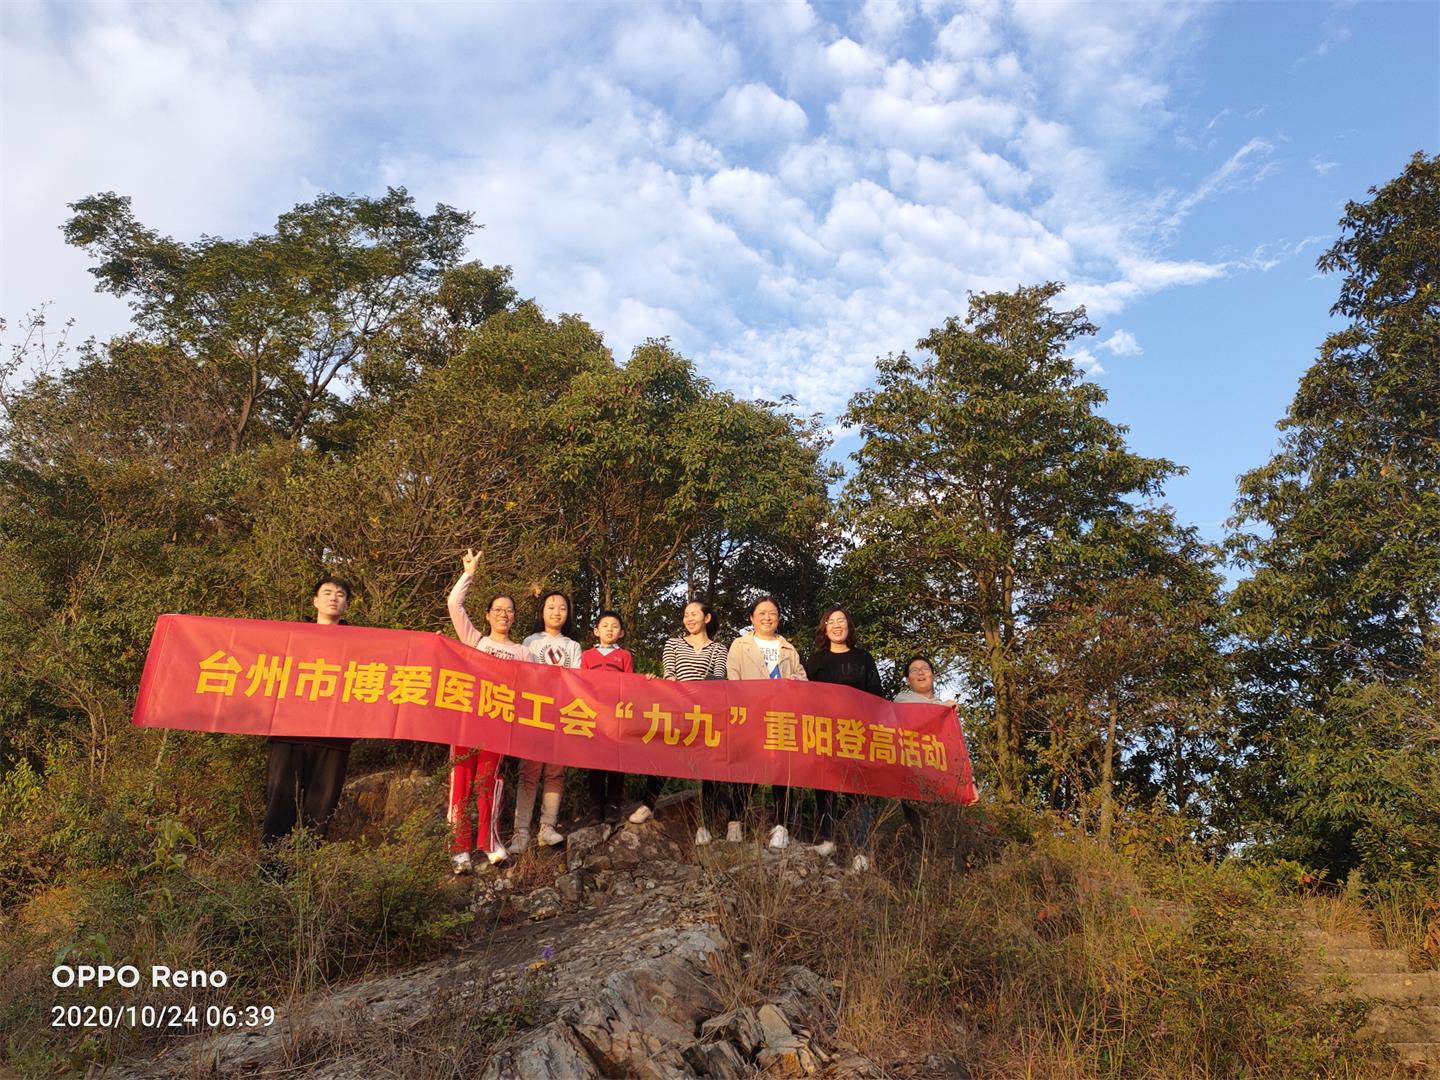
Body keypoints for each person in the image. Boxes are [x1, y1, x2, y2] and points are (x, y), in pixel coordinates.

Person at [446, 548, 533, 874]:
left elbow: (540, 690)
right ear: (487, 615)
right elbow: (454, 605)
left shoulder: (524, 653)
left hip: (499, 725)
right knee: (460, 781)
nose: (504, 614)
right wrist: (469, 574)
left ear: (514, 617)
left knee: (488, 783)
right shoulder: (475, 640)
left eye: (509, 610)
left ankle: (489, 842)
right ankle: (459, 849)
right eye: (498, 609)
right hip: (466, 722)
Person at [261, 576, 356, 848]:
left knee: (320, 814)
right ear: (315, 601)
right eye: (326, 592)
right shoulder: (290, 637)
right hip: (288, 733)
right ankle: (271, 878)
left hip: (333, 738)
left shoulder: (361, 645)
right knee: (279, 808)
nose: (333, 597)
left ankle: (310, 878)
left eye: (340, 594)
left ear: (347, 604)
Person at [803, 607, 884, 864]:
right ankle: (827, 841)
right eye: (831, 621)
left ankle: (861, 851)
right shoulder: (815, 661)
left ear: (849, 626)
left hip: (856, 734)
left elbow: (876, 694)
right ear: (824, 628)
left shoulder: (863, 658)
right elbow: (804, 698)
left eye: (841, 621)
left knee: (858, 790)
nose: (837, 625)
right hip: (824, 733)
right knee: (824, 787)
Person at [727, 596, 807, 850]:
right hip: (750, 713)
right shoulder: (740, 645)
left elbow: (802, 678)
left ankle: (781, 827)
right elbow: (733, 679)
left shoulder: (788, 648)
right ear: (751, 618)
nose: (767, 617)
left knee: (781, 770)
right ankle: (735, 822)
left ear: (778, 618)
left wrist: (796, 679)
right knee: (745, 769)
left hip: (780, 716)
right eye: (761, 613)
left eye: (772, 613)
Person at [654, 600, 730, 841]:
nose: (689, 618)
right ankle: (647, 803)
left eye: (694, 614)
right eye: (686, 614)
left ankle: (705, 825)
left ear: (706, 618)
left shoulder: (719, 649)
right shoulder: (673, 644)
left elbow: (719, 678)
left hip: (707, 712)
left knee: (710, 767)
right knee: (663, 754)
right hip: (677, 708)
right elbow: (669, 675)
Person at [516, 589, 582, 849]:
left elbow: (577, 682)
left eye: (562, 608)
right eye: (551, 607)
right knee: (528, 773)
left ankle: (547, 827)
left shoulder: (573, 646)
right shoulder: (529, 642)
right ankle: (520, 833)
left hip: (562, 714)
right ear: (541, 611)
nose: (557, 612)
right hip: (533, 713)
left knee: (556, 773)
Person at [581, 610, 635, 824]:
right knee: (594, 762)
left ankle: (613, 805)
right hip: (593, 715)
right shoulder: (587, 655)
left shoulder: (624, 655)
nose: (609, 629)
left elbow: (630, 684)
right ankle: (595, 807)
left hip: (617, 715)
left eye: (614, 626)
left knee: (616, 761)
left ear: (621, 632)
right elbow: (580, 683)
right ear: (596, 631)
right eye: (605, 625)